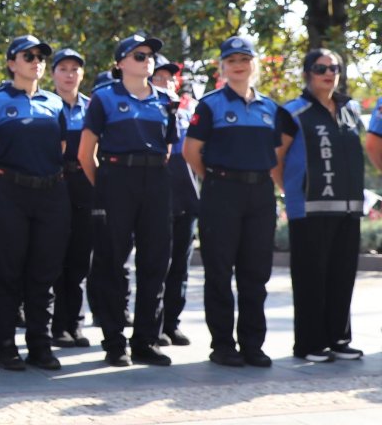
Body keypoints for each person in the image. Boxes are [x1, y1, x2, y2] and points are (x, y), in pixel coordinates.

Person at [0, 35, 70, 371]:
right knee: (6, 273)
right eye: (28, 56)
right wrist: (1, 186)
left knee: (43, 273)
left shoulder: (55, 103)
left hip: (50, 195)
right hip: (8, 194)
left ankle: (40, 346)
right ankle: (5, 347)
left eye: (41, 57)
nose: (36, 62)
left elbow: (61, 149)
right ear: (12, 63)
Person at [78, 34, 177, 367]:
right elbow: (84, 153)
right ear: (120, 63)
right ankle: (115, 340)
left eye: (149, 55)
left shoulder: (165, 100)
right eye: (138, 55)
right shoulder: (104, 98)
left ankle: (146, 340)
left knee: (155, 262)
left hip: (155, 181)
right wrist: (106, 186)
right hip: (116, 178)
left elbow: (166, 148)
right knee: (111, 262)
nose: (147, 59)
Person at [183, 35, 281, 368]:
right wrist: (215, 179)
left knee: (256, 274)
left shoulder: (269, 107)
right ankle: (223, 345)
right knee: (220, 271)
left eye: (244, 60)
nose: (239, 66)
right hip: (222, 192)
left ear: (254, 65)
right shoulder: (210, 105)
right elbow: (191, 152)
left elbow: (276, 152)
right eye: (232, 61)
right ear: (223, 67)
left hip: (260, 195)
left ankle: (253, 344)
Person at [275, 49, 366, 362]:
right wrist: (291, 189)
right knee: (311, 277)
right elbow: (277, 158)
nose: (328, 73)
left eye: (334, 67)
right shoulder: (293, 112)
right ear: (307, 73)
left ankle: (339, 339)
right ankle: (310, 344)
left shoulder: (351, 110)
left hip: (348, 208)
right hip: (309, 209)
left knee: (342, 275)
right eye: (320, 68)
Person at [49, 48, 93, 349]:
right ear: (53, 73)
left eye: (74, 69)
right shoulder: (46, 105)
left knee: (79, 258)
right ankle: (55, 325)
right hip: (53, 186)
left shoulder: (92, 108)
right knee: (53, 258)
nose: (69, 74)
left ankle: (74, 323)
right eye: (63, 68)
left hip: (84, 185)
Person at [154, 54, 197, 347]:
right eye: (160, 77)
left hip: (186, 194)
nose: (167, 82)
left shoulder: (185, 111)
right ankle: (153, 326)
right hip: (158, 195)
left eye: (171, 77)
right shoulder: (147, 110)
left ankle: (172, 322)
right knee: (158, 264)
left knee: (181, 264)